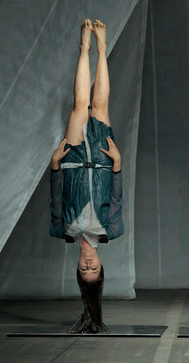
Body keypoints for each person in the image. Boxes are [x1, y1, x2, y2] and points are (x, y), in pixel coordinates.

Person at [50, 19, 124, 333]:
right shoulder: (112, 230)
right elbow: (116, 197)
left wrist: (55, 165)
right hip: (104, 163)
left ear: (78, 268)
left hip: (74, 162)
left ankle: (84, 47)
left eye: (85, 270)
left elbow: (56, 198)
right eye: (94, 270)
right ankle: (102, 48)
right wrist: (117, 163)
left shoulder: (62, 230)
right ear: (101, 265)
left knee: (81, 105)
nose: (89, 265)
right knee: (100, 104)